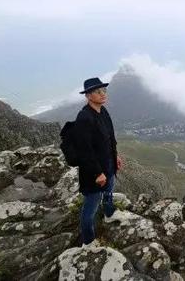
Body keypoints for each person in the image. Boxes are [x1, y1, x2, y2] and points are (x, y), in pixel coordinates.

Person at [75, 77, 123, 247]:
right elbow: (84, 150)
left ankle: (109, 214)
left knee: (109, 191)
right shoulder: (84, 117)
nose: (103, 94)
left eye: (104, 91)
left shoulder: (103, 111)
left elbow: (111, 138)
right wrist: (97, 173)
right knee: (90, 208)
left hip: (108, 164)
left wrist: (115, 156)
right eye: (98, 91)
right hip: (94, 172)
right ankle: (88, 242)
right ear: (88, 96)